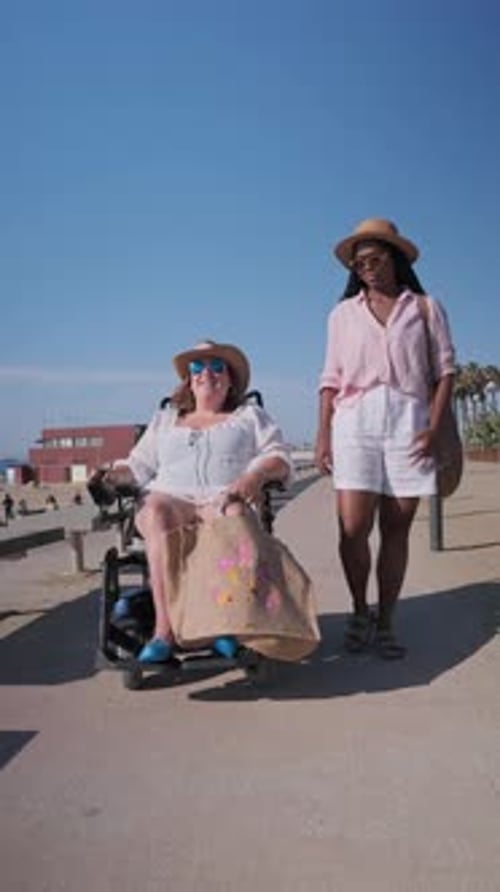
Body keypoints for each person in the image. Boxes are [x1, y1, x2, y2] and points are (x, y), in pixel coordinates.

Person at [102, 339, 296, 664]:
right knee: (155, 510)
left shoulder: (249, 415)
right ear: (189, 380)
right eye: (197, 367)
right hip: (171, 499)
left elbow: (279, 457)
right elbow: (137, 467)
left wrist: (254, 477)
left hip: (224, 498)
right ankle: (165, 630)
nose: (207, 373)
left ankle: (223, 623)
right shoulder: (165, 419)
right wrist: (110, 476)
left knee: (230, 512)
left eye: (217, 366)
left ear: (231, 378)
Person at [315, 219, 456, 658]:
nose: (367, 269)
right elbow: (330, 378)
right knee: (353, 528)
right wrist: (323, 434)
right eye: (359, 264)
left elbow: (446, 371)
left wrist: (434, 427)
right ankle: (360, 610)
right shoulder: (342, 314)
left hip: (409, 423)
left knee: (397, 529)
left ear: (395, 259)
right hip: (354, 422)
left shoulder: (427, 307)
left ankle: (387, 621)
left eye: (375, 260)